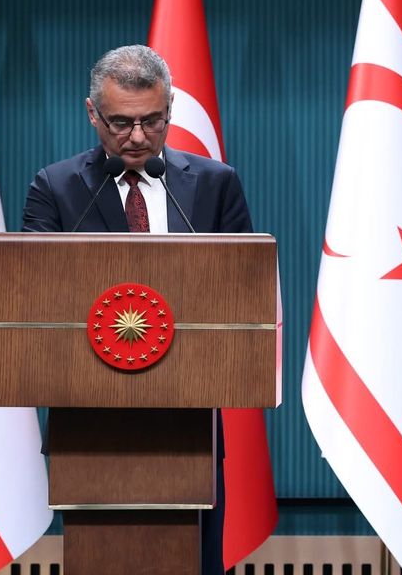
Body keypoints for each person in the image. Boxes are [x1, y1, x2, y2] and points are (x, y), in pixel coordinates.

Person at [22, 44, 247, 574]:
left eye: (153, 121)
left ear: (169, 110)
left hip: (188, 424)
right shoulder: (56, 188)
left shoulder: (215, 184)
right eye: (121, 123)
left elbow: (243, 291)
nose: (139, 137)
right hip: (90, 428)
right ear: (92, 113)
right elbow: (34, 297)